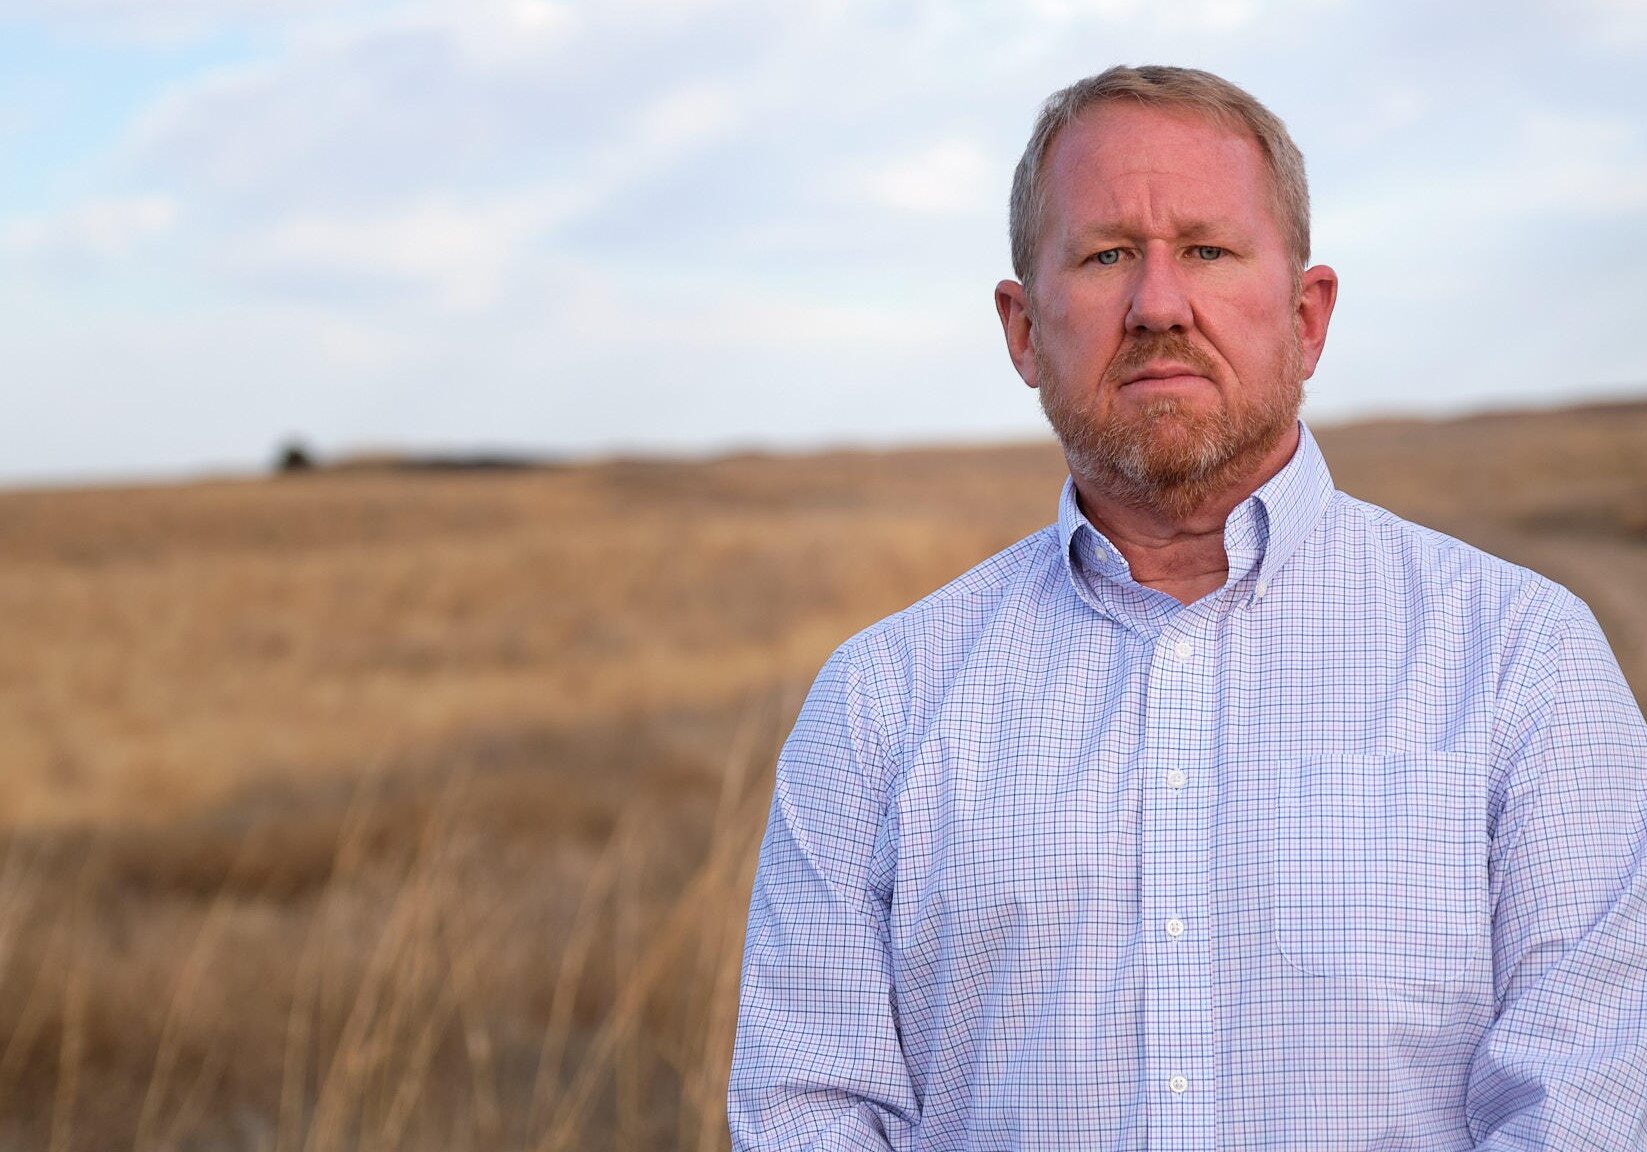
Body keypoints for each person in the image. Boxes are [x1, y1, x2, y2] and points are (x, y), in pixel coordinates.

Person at [727, 65, 1647, 1150]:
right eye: (1107, 253)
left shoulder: (1521, 665)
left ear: (1308, 317)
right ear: (1023, 330)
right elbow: (808, 1116)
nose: (1159, 304)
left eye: (1208, 250)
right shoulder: (880, 701)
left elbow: (1588, 1114)